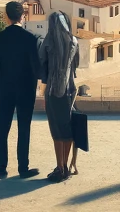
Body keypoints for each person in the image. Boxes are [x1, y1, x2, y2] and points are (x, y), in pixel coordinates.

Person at [0, 0, 40, 179]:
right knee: (23, 128)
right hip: (26, 90)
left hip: (5, 89)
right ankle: (23, 168)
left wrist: (5, 81)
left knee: (3, 127)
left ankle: (1, 167)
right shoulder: (31, 39)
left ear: (6, 16)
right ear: (23, 16)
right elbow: (37, 69)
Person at [39, 10, 79, 182]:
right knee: (68, 130)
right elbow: (76, 67)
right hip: (70, 90)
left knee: (56, 131)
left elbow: (43, 67)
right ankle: (66, 167)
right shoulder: (74, 42)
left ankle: (59, 167)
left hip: (53, 92)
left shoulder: (48, 42)